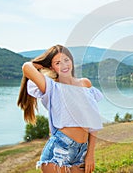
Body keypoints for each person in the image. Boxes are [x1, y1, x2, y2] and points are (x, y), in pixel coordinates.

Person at [17, 45, 103, 173]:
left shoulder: (85, 83)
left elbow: (94, 121)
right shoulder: (51, 86)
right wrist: (41, 64)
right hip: (58, 151)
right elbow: (26, 67)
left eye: (66, 60)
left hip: (82, 151)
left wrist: (90, 155)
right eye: (58, 63)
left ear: (72, 61)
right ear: (52, 67)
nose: (64, 65)